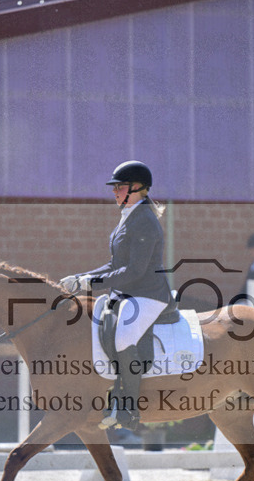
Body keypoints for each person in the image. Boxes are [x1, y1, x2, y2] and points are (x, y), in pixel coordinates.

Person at [60, 160, 173, 431]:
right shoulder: (130, 216)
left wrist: (91, 282)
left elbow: (134, 271)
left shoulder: (144, 220)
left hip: (148, 295)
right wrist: (82, 279)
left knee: (124, 337)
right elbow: (114, 265)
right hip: (128, 293)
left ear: (137, 188)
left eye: (119, 187)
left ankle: (129, 409)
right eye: (115, 187)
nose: (114, 192)